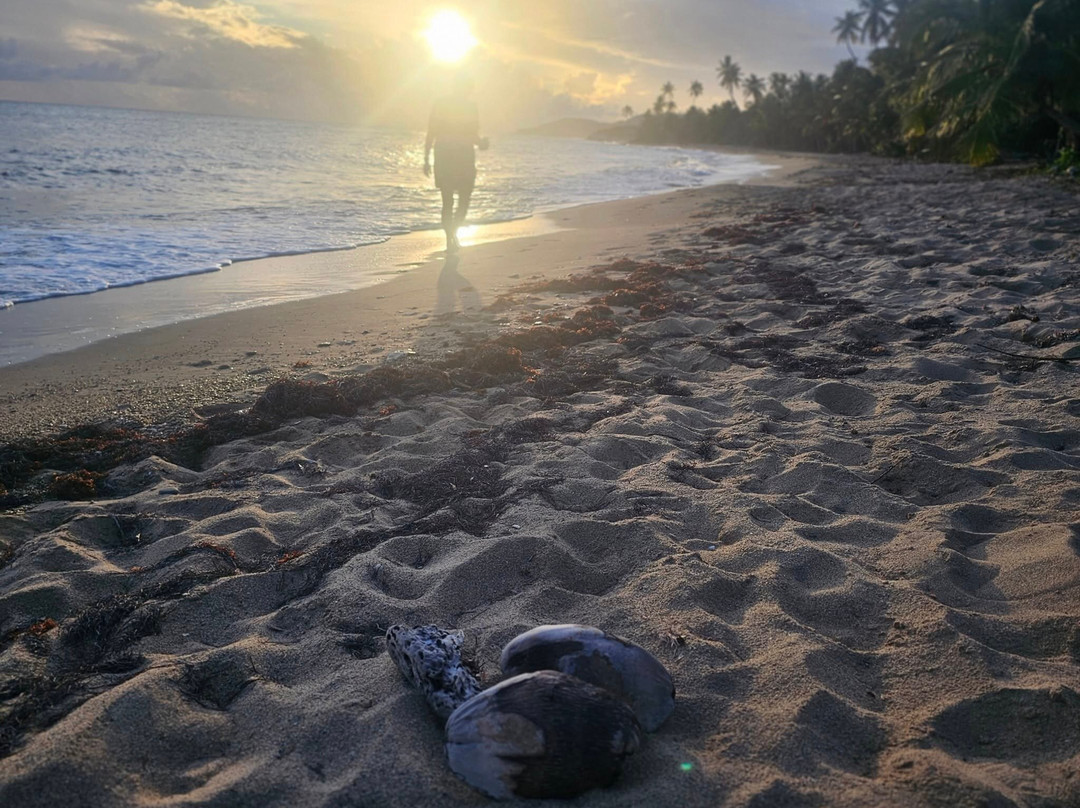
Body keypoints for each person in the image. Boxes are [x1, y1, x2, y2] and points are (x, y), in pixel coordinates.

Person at [424, 72, 488, 253]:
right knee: (460, 200)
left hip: (447, 156)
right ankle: (451, 236)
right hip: (460, 157)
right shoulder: (468, 107)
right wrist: (482, 143)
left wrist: (426, 159)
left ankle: (451, 236)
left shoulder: (444, 104)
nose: (469, 91)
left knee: (450, 200)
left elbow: (431, 133)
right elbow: (472, 135)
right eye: (469, 87)